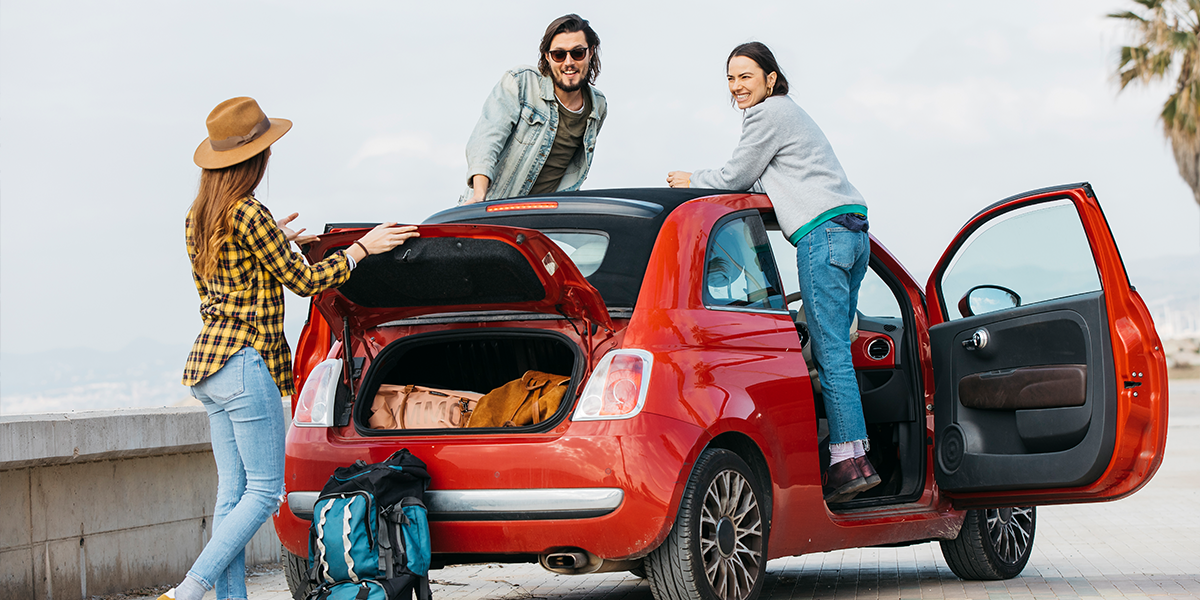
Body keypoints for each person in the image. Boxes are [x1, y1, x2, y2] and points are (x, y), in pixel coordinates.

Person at [165, 97, 419, 600]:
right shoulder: (248, 212)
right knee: (263, 492)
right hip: (242, 362)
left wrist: (277, 241)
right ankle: (189, 590)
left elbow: (235, 275)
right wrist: (362, 248)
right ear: (252, 159)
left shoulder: (200, 216)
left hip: (207, 365)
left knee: (231, 495)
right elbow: (304, 280)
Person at [666, 42, 878, 504]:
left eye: (746, 76)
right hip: (854, 233)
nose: (737, 87)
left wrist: (690, 180)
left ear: (770, 79)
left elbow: (735, 177)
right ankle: (858, 454)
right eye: (731, 78)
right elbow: (770, 186)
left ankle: (848, 462)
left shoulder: (769, 114)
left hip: (823, 238)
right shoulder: (789, 115)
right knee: (838, 349)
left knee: (830, 355)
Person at [460, 13, 607, 204]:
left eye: (577, 53)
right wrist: (479, 196)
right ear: (547, 57)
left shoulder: (598, 106)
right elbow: (486, 139)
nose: (569, 62)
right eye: (559, 54)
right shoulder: (521, 83)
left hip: (545, 218)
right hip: (495, 208)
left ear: (591, 52)